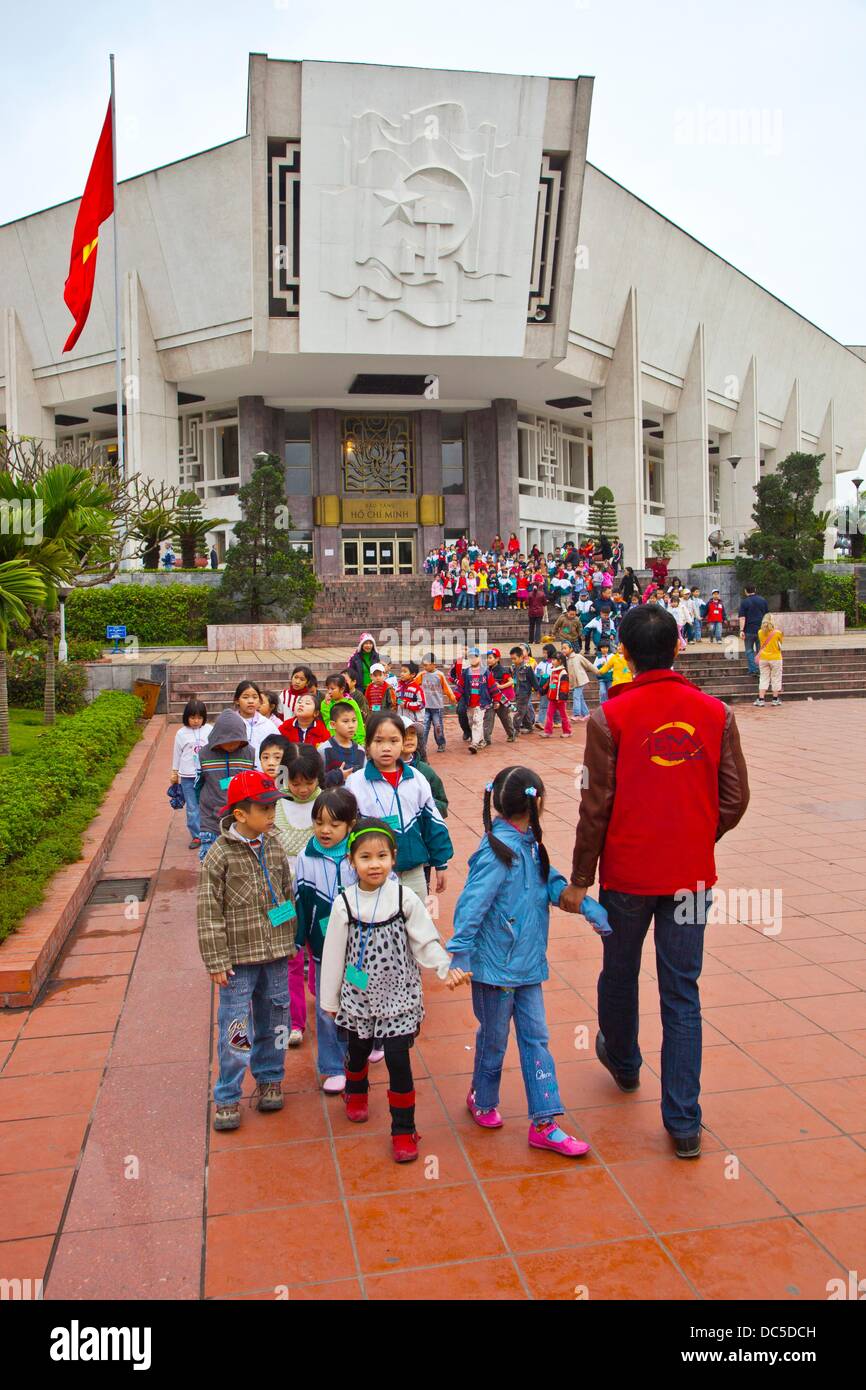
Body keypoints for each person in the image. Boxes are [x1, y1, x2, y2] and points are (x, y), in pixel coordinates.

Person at [563, 605, 750, 1159]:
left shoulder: (610, 718)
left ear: (623, 652)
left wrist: (579, 878)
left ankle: (623, 1062)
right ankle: (684, 1122)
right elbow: (734, 799)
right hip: (690, 880)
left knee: (619, 973)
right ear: (678, 647)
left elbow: (595, 804)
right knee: (682, 991)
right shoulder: (716, 713)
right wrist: (695, 837)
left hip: (626, 878)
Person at [445, 768, 594, 1157]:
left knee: (536, 1039)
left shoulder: (530, 845)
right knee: (494, 1039)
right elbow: (472, 904)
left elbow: (549, 879)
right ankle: (482, 1096)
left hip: (526, 966)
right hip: (495, 969)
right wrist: (460, 951)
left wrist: (584, 904)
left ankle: (544, 1121)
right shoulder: (498, 851)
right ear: (537, 802)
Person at [319, 819, 463, 1162]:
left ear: (393, 858)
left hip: (399, 995)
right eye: (365, 857)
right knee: (358, 1048)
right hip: (358, 995)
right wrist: (330, 999)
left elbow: (424, 939)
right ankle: (355, 1090)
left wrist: (445, 968)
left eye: (382, 855)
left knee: (399, 1059)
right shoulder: (345, 903)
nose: (374, 864)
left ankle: (403, 1129)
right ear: (352, 861)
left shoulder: (404, 897)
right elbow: (334, 953)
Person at [197, 769, 297, 1132]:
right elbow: (208, 911)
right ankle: (227, 1095)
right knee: (236, 1027)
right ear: (240, 814)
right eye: (265, 809)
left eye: (273, 808)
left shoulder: (273, 845)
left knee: (276, 1020)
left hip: (275, 956)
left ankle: (270, 1076)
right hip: (238, 961)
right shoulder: (219, 856)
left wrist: (291, 938)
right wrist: (216, 959)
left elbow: (287, 892)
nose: (272, 816)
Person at [345, 712, 453, 900]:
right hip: (375, 872)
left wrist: (441, 862)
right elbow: (348, 831)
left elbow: (433, 823)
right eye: (378, 741)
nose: (386, 748)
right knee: (381, 921)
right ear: (367, 745)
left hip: (414, 869)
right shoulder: (356, 783)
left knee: (417, 919)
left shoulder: (416, 778)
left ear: (402, 743)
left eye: (393, 741)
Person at [294, 786, 359, 1094]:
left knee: (359, 999)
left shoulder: (359, 856)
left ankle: (356, 1051)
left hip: (360, 952)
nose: (325, 830)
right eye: (319, 822)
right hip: (322, 953)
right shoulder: (306, 860)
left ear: (350, 825)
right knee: (326, 1005)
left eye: (334, 824)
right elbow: (298, 903)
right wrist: (290, 936)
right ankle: (333, 1065)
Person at [197, 710, 256, 862]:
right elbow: (197, 784)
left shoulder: (249, 753)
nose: (231, 745)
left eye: (235, 741)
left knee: (238, 863)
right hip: (210, 817)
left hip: (240, 819)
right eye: (227, 741)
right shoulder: (204, 754)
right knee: (212, 862)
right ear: (217, 737)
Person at [170, 698, 212, 849]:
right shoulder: (181, 733)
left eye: (199, 717)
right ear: (186, 717)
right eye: (193, 717)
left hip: (206, 775)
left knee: (207, 804)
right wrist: (174, 772)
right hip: (188, 776)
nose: (196, 721)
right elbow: (177, 753)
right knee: (192, 807)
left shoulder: (209, 730)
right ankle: (197, 836)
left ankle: (209, 832)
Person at [454, 647, 499, 754]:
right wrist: (456, 697)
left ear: (479, 658)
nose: (473, 659)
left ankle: (474, 743)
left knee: (477, 722)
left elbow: (493, 687)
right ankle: (481, 740)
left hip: (482, 703)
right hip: (470, 703)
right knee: (471, 721)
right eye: (470, 657)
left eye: (475, 657)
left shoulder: (486, 673)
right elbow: (460, 686)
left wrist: (496, 700)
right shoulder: (466, 673)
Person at [319, 701, 367, 780]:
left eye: (354, 720)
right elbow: (318, 780)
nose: (351, 726)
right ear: (333, 725)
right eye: (345, 721)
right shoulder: (324, 749)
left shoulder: (360, 751)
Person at [419, 654, 456, 755]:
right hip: (425, 706)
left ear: (433, 664)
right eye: (423, 665)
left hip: (437, 706)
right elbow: (414, 683)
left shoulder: (439, 675)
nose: (424, 667)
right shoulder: (422, 674)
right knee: (425, 726)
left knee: (437, 726)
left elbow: (446, 688)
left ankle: (441, 743)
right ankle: (422, 746)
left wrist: (452, 697)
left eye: (426, 665)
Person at [320, 673, 365, 746]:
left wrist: (360, 740)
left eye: (332, 689)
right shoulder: (325, 703)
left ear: (342, 689)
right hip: (333, 741)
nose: (329, 691)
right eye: (328, 688)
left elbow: (359, 721)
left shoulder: (351, 702)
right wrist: (327, 705)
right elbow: (327, 721)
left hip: (351, 741)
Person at [538, 652, 572, 738]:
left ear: (560, 661)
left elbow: (564, 686)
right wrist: (543, 690)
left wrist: (562, 697)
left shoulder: (563, 672)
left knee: (563, 715)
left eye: (554, 660)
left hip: (560, 699)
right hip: (552, 698)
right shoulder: (553, 671)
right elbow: (551, 683)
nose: (552, 661)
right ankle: (547, 731)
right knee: (549, 714)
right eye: (552, 659)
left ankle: (567, 731)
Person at [738, 584, 769, 676]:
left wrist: (741, 630)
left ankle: (753, 669)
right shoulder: (763, 600)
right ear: (755, 590)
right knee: (761, 650)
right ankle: (761, 669)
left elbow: (742, 618)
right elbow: (767, 616)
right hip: (762, 630)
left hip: (749, 630)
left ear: (745, 591)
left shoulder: (744, 602)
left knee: (749, 651)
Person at [754, 613, 783, 706]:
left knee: (763, 678)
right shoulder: (778, 633)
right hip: (776, 658)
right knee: (776, 677)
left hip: (763, 658)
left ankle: (761, 699)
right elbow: (780, 644)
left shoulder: (759, 632)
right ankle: (775, 699)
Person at [509, 646, 538, 734]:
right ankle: (529, 727)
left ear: (521, 657)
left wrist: (538, 690)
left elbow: (533, 680)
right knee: (524, 711)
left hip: (525, 693)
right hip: (517, 692)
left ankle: (515, 729)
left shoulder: (527, 667)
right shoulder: (514, 667)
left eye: (515, 658)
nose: (513, 661)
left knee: (519, 711)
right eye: (512, 659)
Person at [527, 580, 547, 645]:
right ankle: (537, 640)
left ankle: (530, 640)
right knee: (538, 626)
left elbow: (527, 603)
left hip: (531, 611)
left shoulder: (529, 594)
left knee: (531, 626)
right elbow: (544, 603)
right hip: (539, 611)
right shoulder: (542, 594)